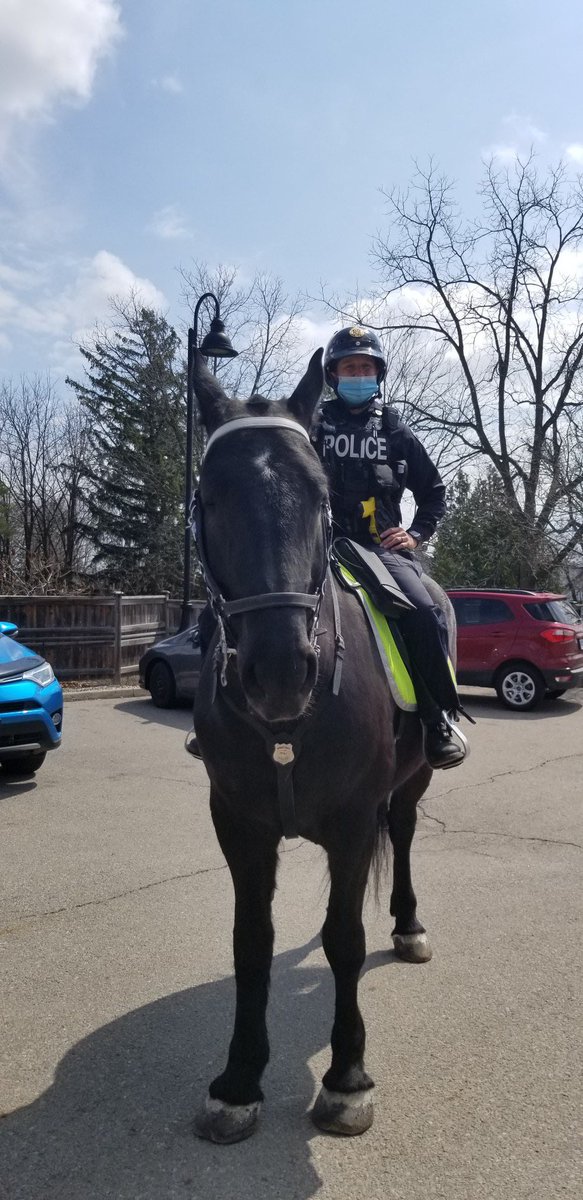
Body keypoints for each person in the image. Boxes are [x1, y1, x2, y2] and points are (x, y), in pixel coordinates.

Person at [312, 325, 468, 770]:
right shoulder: (312, 425)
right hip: (318, 545)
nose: (358, 374)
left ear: (377, 374)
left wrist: (415, 534)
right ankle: (219, 718)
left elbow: (434, 492)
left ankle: (437, 720)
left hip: (380, 550)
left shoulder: (395, 429)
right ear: (333, 375)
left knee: (423, 611)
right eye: (349, 367)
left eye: (365, 367)